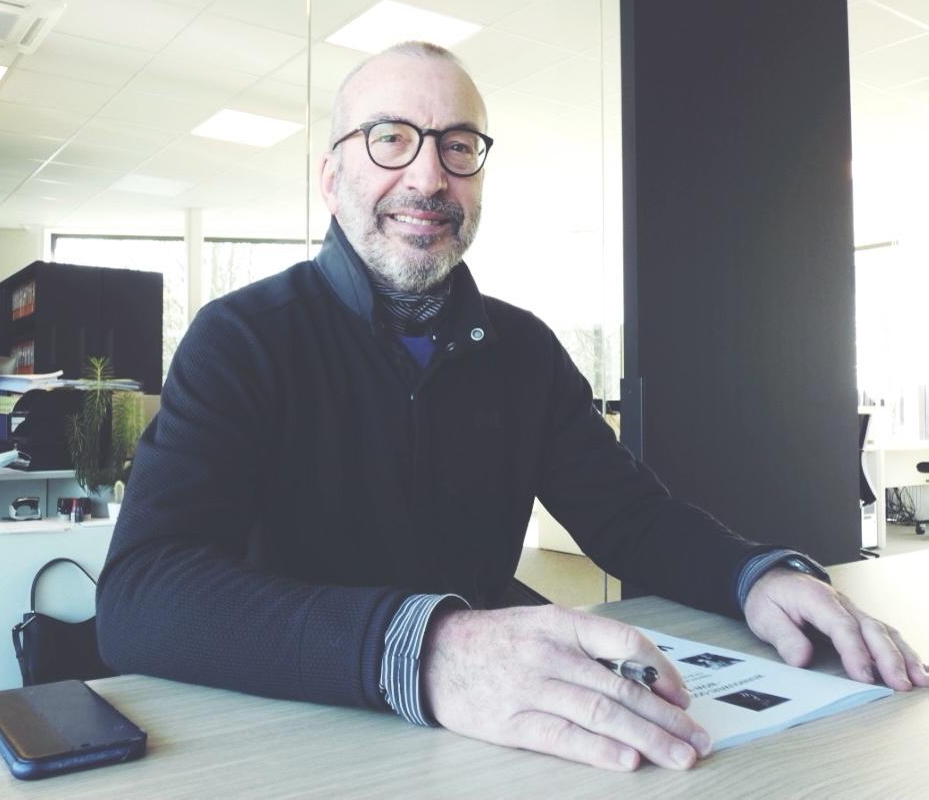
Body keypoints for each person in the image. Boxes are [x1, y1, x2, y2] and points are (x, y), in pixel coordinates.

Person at [96, 41, 928, 773]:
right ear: (330, 175)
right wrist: (424, 648)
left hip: (497, 746)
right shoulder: (242, 337)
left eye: (457, 146)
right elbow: (141, 594)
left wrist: (752, 574)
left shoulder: (522, 348)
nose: (428, 176)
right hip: (292, 738)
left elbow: (630, 519)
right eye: (390, 138)